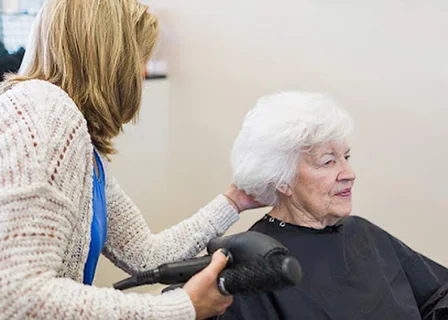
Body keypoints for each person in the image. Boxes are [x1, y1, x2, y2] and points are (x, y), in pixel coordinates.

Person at [0, 1, 262, 319]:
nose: (142, 73)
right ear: (113, 57)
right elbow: (17, 296)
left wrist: (236, 200)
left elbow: (146, 254)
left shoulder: (85, 151)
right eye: (140, 58)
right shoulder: (45, 110)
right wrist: (181, 308)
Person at [219, 91, 448, 320]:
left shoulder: (363, 233)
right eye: (328, 162)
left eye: (346, 157)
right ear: (283, 180)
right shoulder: (255, 266)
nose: (349, 174)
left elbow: (439, 296)